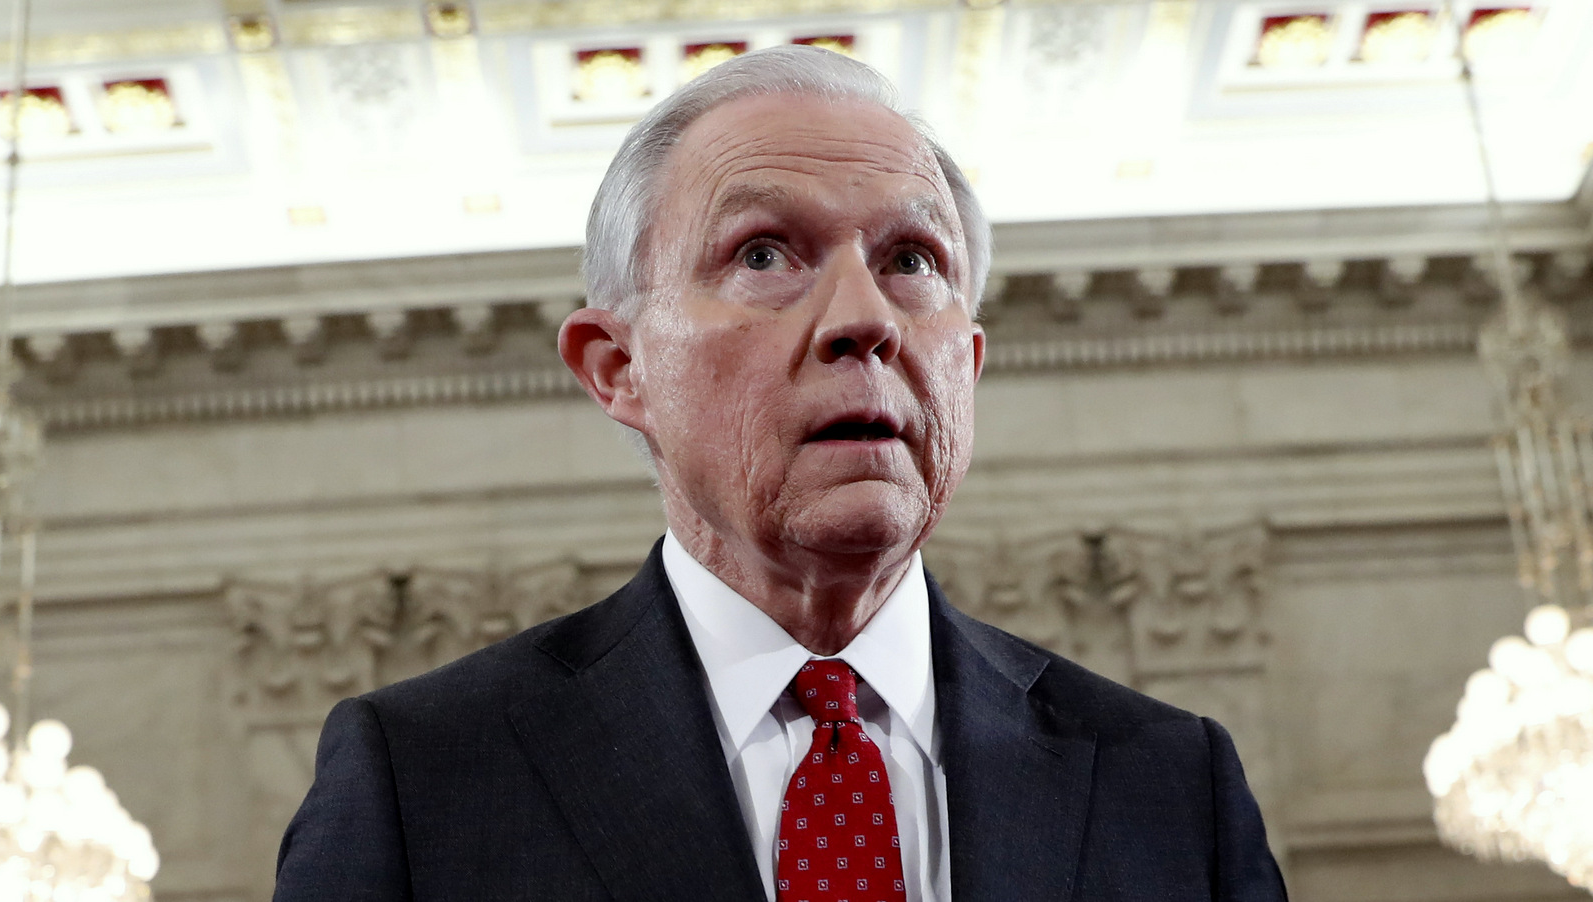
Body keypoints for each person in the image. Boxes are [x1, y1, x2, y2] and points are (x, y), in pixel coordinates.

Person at [273, 45, 1288, 901]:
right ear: (619, 367)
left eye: (911, 260)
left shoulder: (1170, 781)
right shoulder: (421, 775)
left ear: (965, 366)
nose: (864, 320)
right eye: (763, 253)